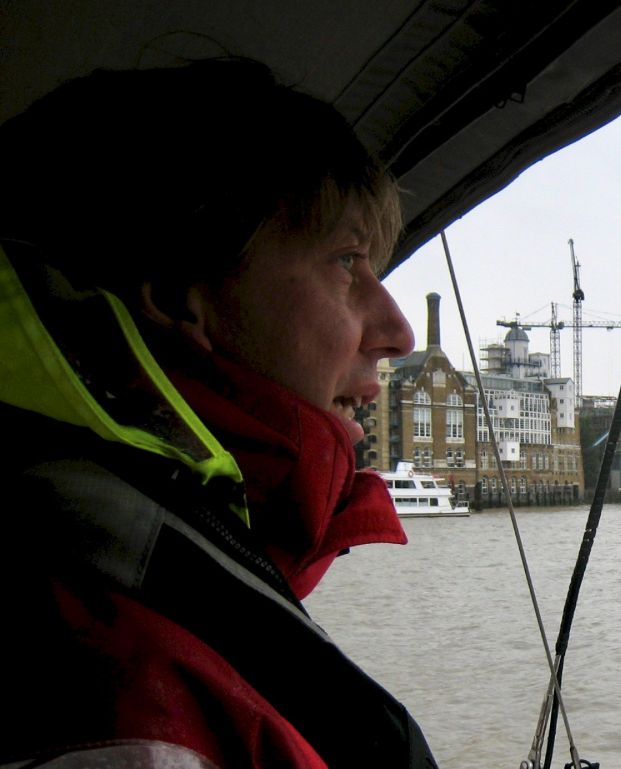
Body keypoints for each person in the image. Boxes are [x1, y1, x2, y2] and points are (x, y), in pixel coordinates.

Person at [0, 59, 437, 768]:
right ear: (179, 295)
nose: (397, 330)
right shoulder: (130, 697)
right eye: (346, 263)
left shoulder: (103, 554)